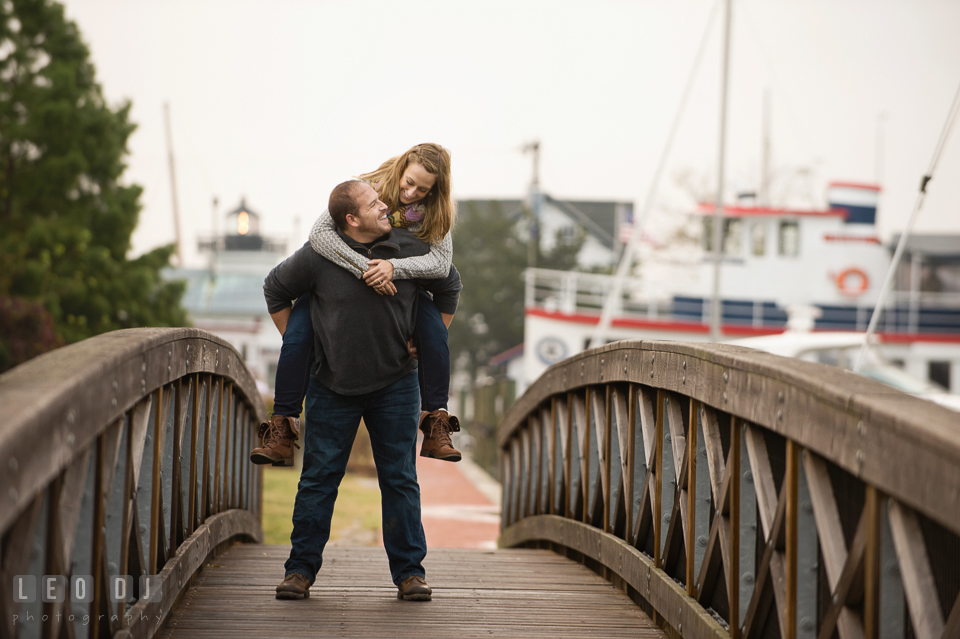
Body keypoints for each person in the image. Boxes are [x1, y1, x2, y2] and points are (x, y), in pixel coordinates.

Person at [262, 180, 462, 601]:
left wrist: (425, 343)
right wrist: (300, 346)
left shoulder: (410, 247)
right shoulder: (318, 256)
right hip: (331, 385)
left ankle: (410, 574)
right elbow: (275, 288)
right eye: (374, 203)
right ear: (352, 220)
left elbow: (449, 286)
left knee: (401, 479)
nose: (385, 205)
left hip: (396, 383)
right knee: (318, 479)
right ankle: (299, 570)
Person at [250, 143, 461, 468]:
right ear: (401, 167)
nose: (410, 193)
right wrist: (363, 268)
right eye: (408, 182)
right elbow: (320, 233)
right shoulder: (372, 185)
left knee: (431, 321)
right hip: (338, 272)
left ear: (435, 190)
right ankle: (283, 423)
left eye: (422, 189)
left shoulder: (435, 211)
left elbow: (442, 266)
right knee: (300, 330)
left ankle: (437, 418)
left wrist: (394, 270)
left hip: (403, 281)